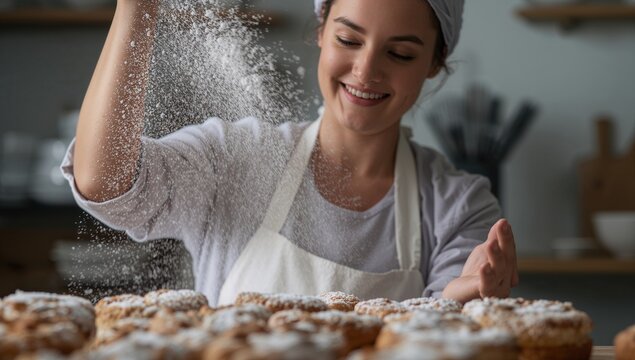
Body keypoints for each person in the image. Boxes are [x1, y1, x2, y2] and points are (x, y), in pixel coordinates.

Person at [62, 0, 519, 306]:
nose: (366, 71)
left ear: (434, 64)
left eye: (399, 53)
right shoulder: (236, 156)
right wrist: (136, 10)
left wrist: (462, 297)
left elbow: (448, 339)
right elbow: (104, 182)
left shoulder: (457, 206)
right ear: (321, 33)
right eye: (348, 40)